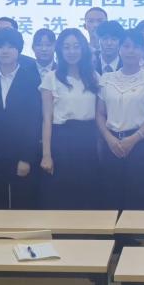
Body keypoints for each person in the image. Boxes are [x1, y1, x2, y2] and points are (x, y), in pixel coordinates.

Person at [96, 27, 144, 209]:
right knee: (110, 197)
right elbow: (100, 113)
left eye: (136, 47)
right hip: (111, 145)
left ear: (142, 50)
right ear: (119, 49)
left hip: (141, 145)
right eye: (126, 46)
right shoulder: (106, 78)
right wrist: (109, 138)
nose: (131, 51)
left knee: (139, 198)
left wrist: (133, 139)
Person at [39, 28, 100, 209]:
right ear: (60, 50)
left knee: (89, 195)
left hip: (89, 140)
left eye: (76, 46)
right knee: (62, 196)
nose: (71, 51)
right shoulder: (51, 78)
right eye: (66, 47)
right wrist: (46, 155)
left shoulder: (94, 77)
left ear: (83, 49)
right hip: (62, 141)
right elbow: (47, 119)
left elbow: (100, 115)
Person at [0, 27, 42, 209]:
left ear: (19, 49)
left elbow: (34, 121)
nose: (5, 51)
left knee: (23, 205)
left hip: (21, 154)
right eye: (0, 46)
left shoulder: (32, 79)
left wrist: (26, 157)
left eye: (10, 46)